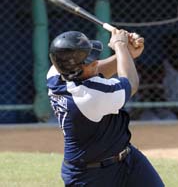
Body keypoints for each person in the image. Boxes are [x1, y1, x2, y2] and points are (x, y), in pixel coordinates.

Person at [46, 29, 164, 186]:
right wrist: (121, 46)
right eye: (90, 61)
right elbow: (131, 83)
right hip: (92, 176)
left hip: (128, 159)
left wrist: (127, 54)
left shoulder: (56, 73)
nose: (96, 62)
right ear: (75, 70)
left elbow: (96, 69)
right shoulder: (89, 96)